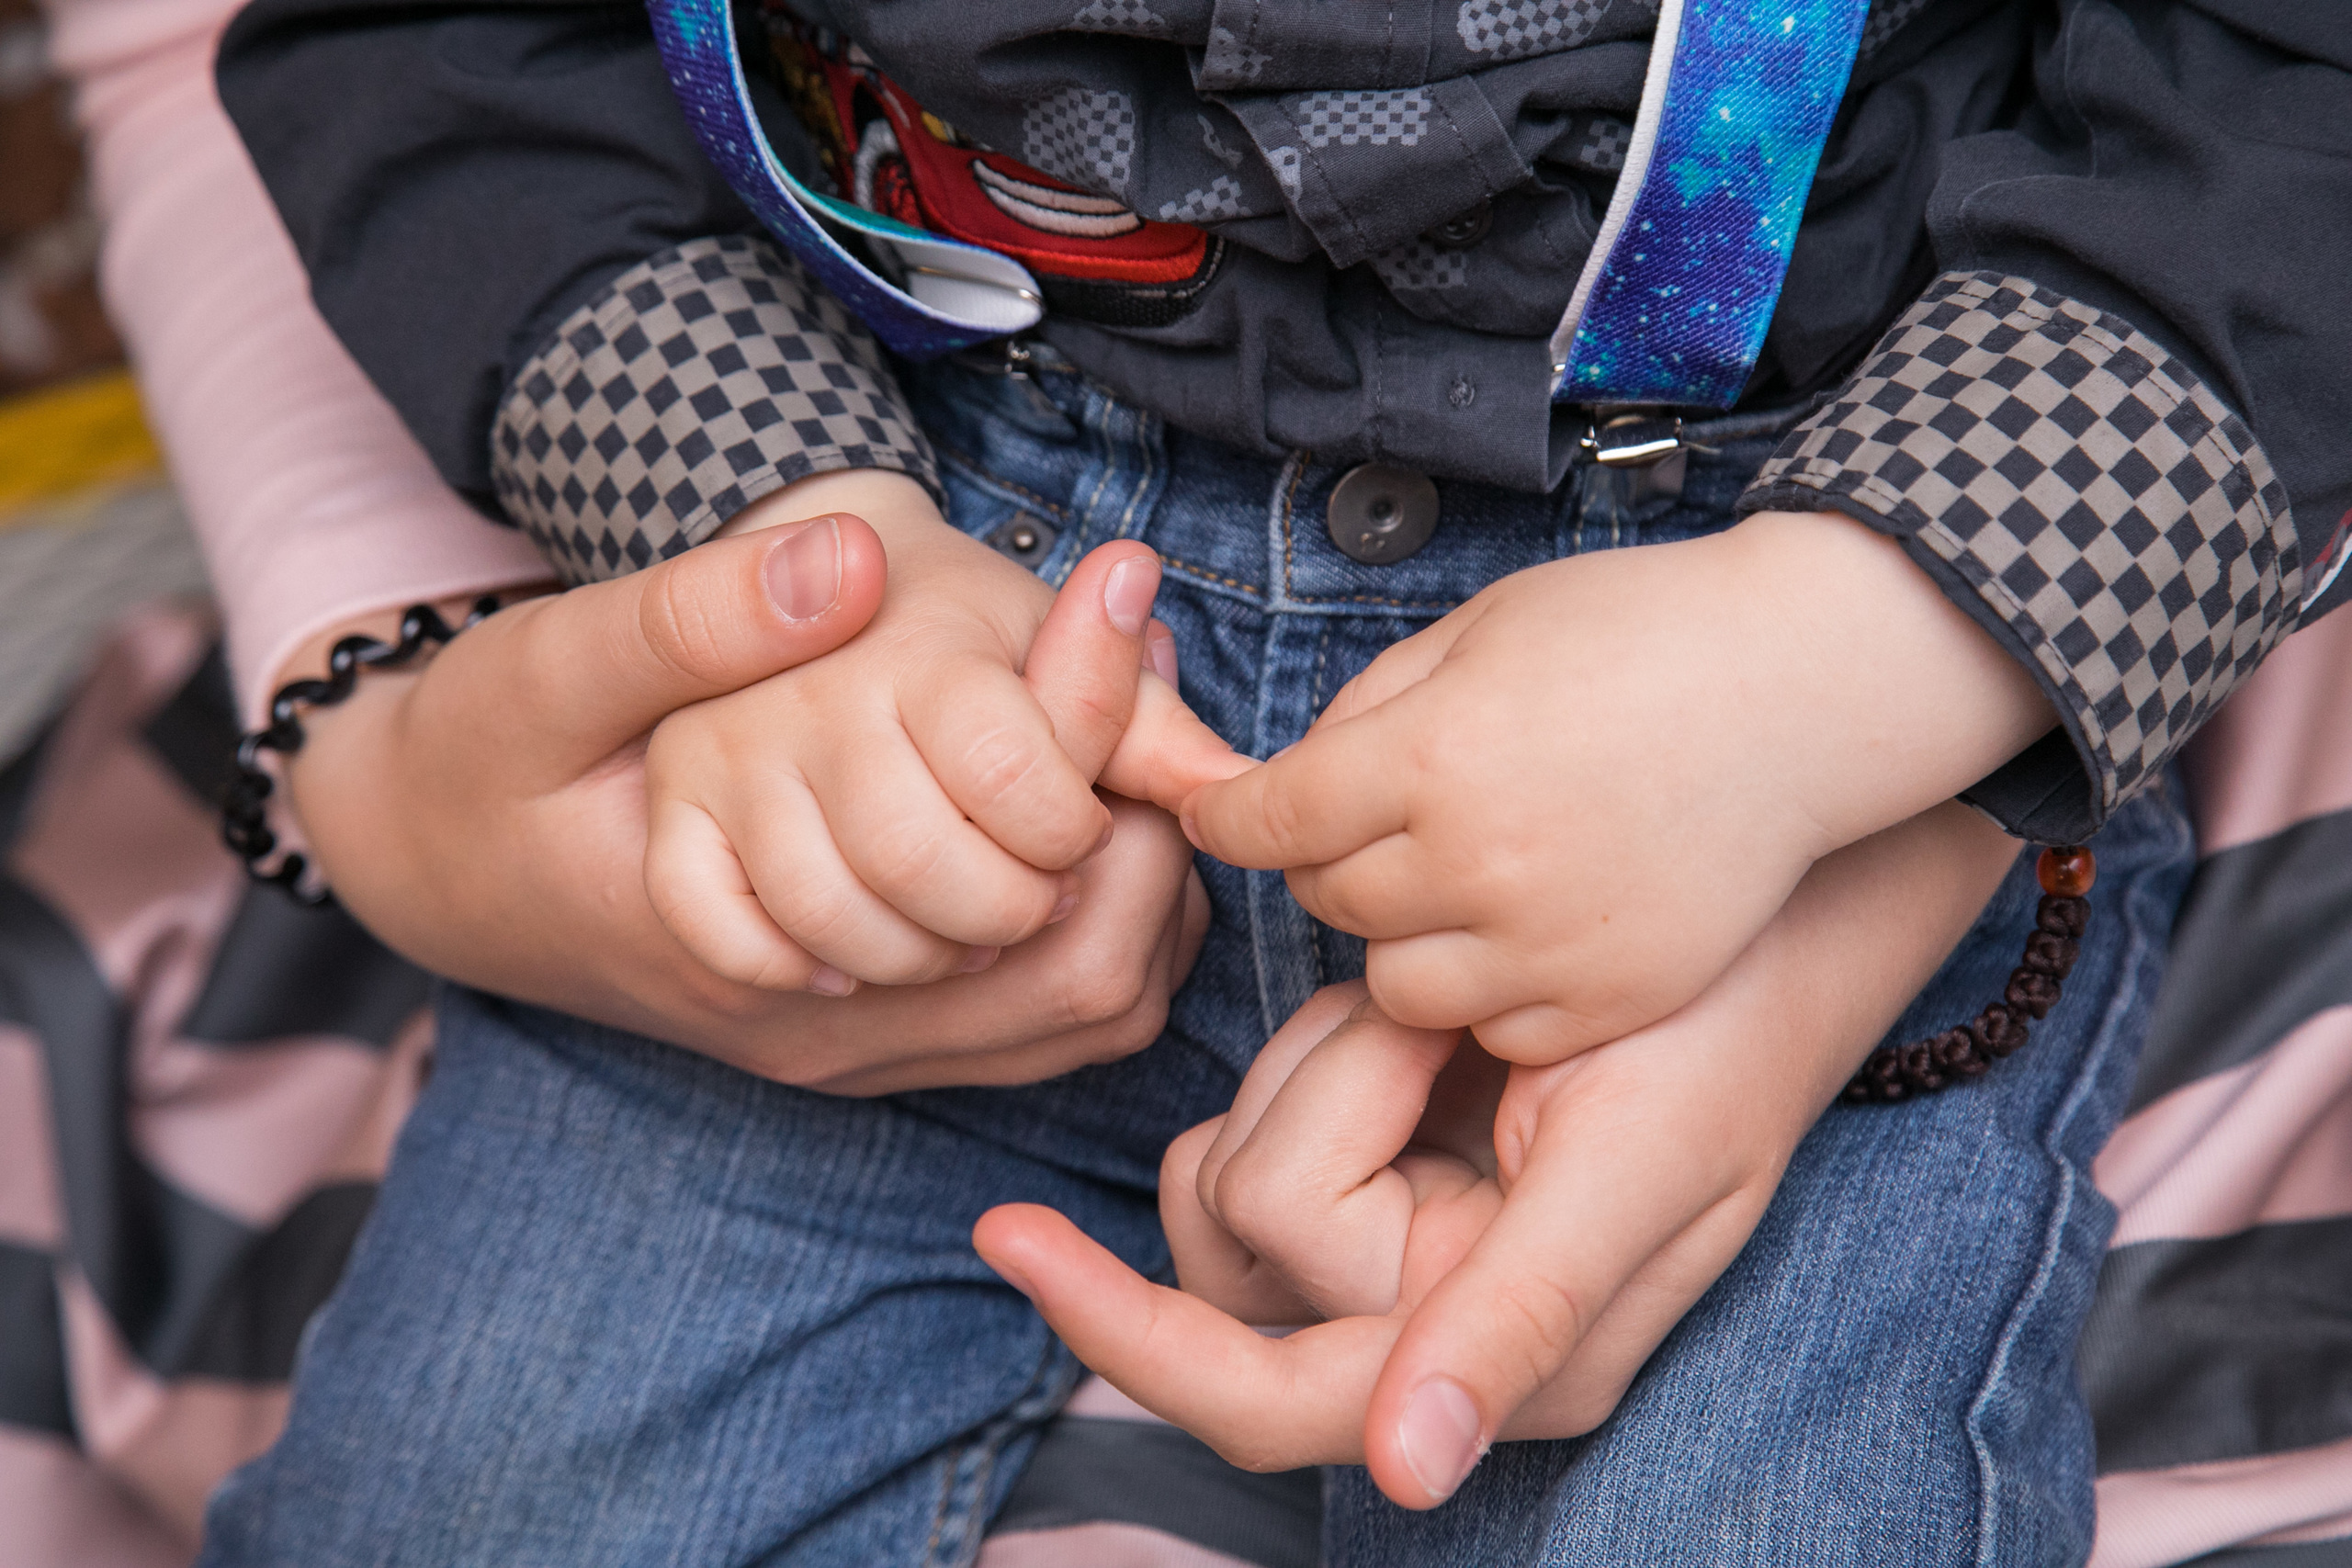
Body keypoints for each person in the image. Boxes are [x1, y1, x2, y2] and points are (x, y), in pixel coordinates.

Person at [188, 0, 2346, 1563]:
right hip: (905, 546)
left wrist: (1860, 660)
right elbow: (429, 44)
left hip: (1797, 606)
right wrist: (759, 519)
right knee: (466, 1495)